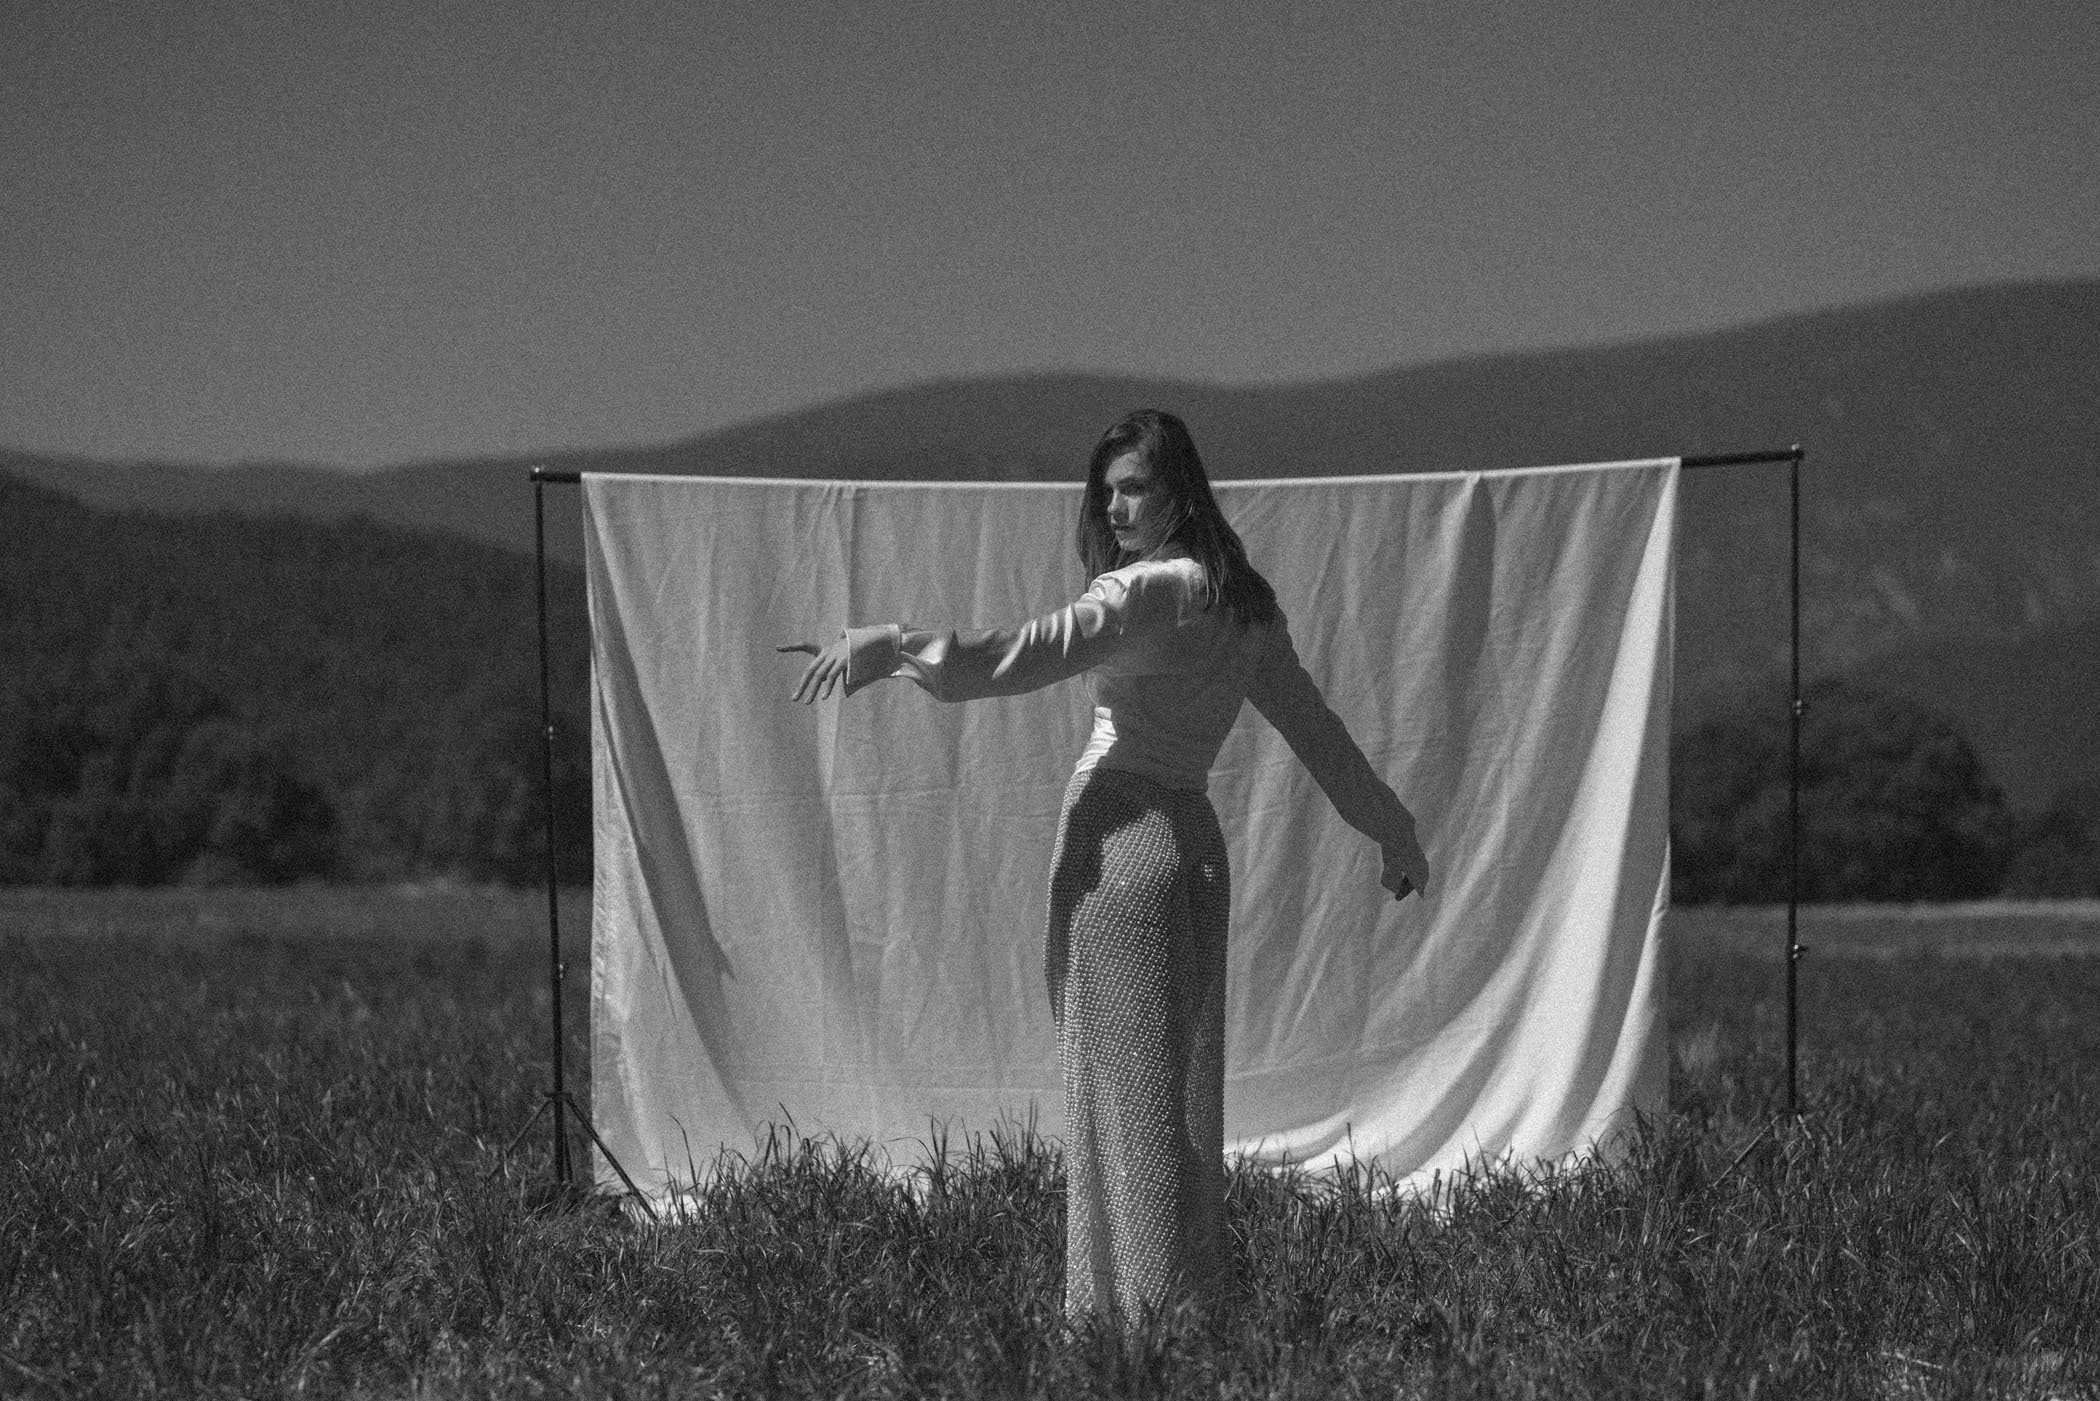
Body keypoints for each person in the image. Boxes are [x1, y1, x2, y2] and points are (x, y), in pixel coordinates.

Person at [780, 408, 1429, 1323]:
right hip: (1193, 844)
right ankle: (1166, 1321)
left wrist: (889, 645)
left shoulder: (1148, 593)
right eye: (1109, 490)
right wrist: (1394, 832)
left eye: (1136, 489)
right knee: (1167, 1103)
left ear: (1182, 494)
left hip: (1121, 839)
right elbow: (1319, 734)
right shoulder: (1248, 608)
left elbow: (1018, 653)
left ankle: (1148, 1333)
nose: (1116, 508)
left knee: (1128, 1111)